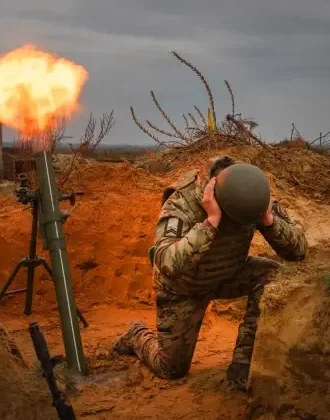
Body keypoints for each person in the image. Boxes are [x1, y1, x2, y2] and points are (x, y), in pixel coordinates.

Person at [112, 156, 309, 390]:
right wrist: (211, 222)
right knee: (171, 369)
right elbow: (166, 263)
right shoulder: (181, 204)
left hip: (229, 274)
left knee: (271, 274)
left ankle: (241, 367)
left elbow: (299, 251)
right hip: (184, 288)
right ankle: (136, 334)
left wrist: (268, 221)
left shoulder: (249, 196)